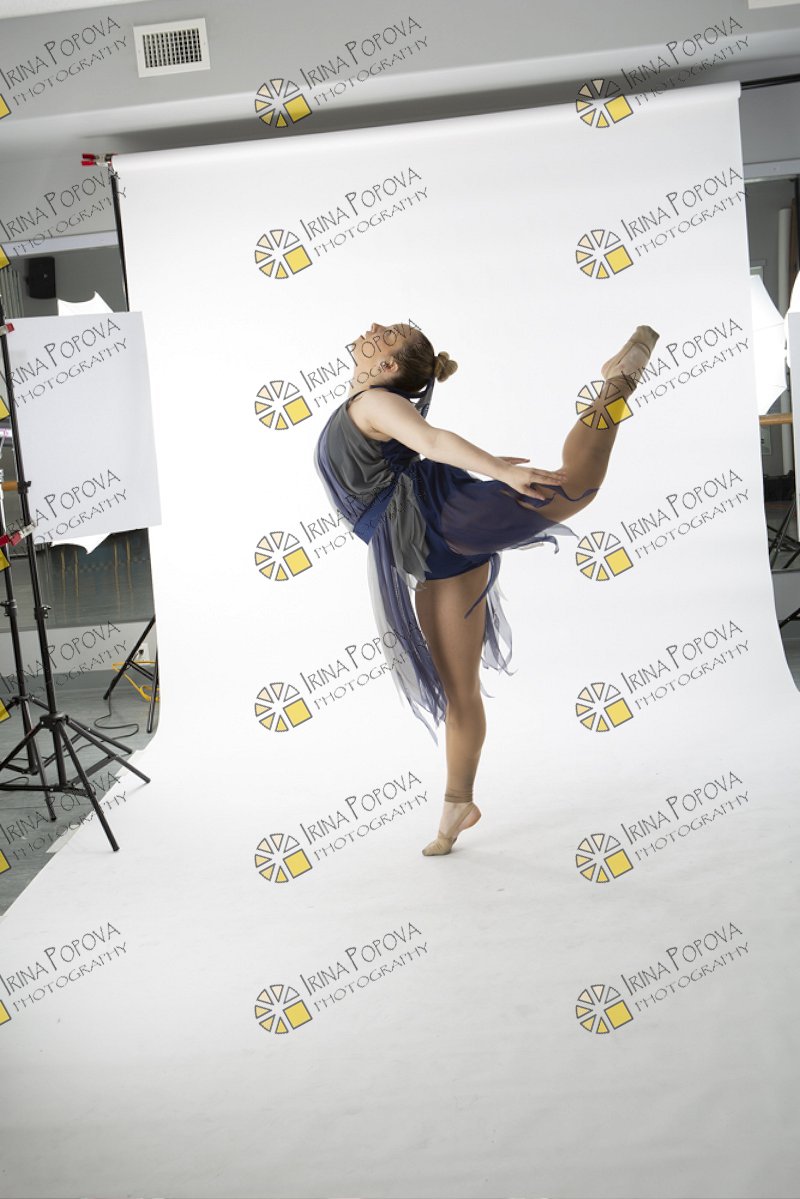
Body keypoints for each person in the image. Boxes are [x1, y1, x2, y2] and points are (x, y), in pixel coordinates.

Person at [313, 320, 659, 857]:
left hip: (438, 518)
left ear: (386, 367)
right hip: (431, 551)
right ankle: (458, 805)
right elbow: (419, 438)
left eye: (388, 333)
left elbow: (432, 441)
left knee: (572, 487)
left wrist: (500, 470)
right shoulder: (368, 399)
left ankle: (619, 383)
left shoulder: (374, 402)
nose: (375, 327)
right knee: (460, 691)